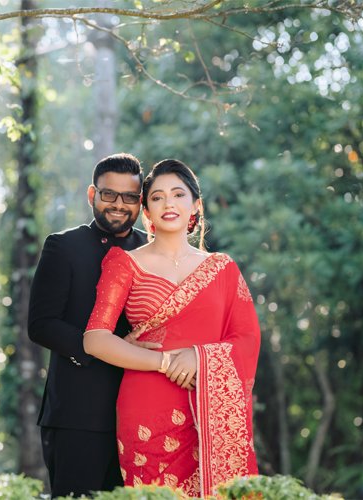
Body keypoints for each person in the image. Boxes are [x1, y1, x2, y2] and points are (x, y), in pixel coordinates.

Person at [83, 159, 261, 497]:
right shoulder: (125, 263)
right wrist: (165, 362)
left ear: (196, 205)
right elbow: (95, 339)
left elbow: (247, 339)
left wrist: (198, 357)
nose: (168, 204)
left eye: (178, 194)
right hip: (147, 407)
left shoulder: (222, 269)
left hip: (211, 411)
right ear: (146, 210)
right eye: (157, 197)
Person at [28, 153, 150, 497]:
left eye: (129, 197)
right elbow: (41, 324)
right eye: (109, 194)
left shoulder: (152, 250)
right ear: (92, 194)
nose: (119, 205)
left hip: (143, 413)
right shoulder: (63, 246)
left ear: (140, 201)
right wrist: (106, 348)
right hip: (77, 415)